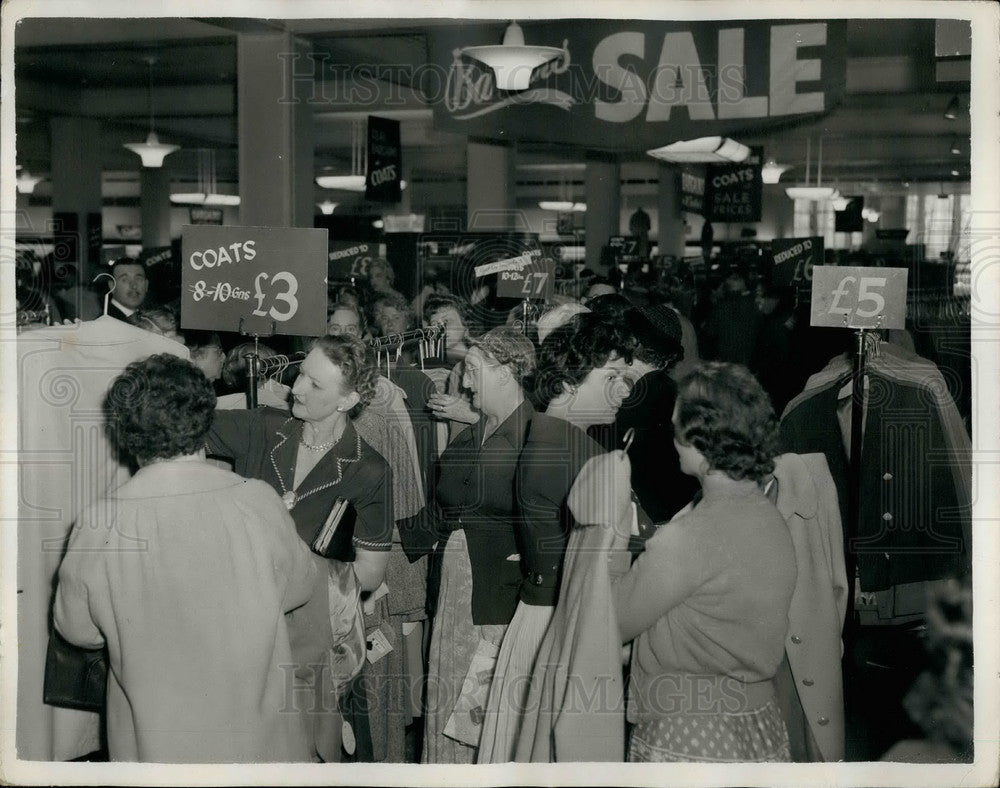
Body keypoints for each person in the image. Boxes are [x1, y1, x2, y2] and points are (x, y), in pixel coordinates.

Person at [53, 354, 318, 762]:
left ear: (127, 433)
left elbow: (77, 630)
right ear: (205, 418)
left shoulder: (101, 521)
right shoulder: (258, 498)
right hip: (261, 747)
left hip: (158, 747)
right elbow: (300, 588)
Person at [204, 335, 394, 762]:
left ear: (348, 400)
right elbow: (185, 423)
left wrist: (294, 570)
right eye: (300, 374)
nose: (297, 388)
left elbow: (371, 572)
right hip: (240, 623)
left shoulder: (369, 468)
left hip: (308, 638)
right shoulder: (263, 426)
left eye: (315, 384)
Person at [608, 362, 797, 762]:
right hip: (759, 721)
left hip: (689, 729)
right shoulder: (769, 515)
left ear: (700, 440)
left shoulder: (690, 537)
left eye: (677, 426)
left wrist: (607, 536)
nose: (671, 435)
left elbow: (610, 621)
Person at [477, 312, 633, 763]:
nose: (624, 390)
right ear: (566, 384)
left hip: (540, 615)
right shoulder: (576, 451)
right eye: (613, 377)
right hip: (562, 623)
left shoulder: (543, 434)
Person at [421, 327, 536, 765]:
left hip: (492, 604)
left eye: (472, 372)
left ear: (506, 372)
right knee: (454, 705)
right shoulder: (480, 429)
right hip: (459, 594)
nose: (464, 384)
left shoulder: (530, 437)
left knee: (478, 720)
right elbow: (446, 510)